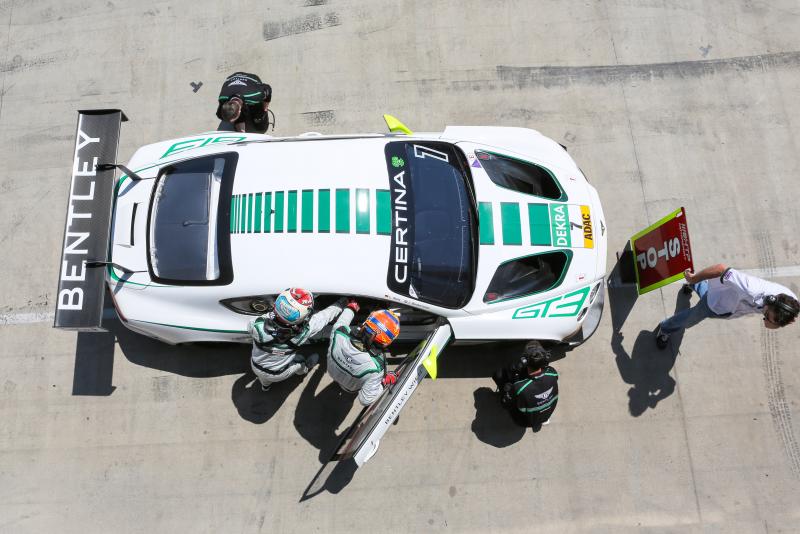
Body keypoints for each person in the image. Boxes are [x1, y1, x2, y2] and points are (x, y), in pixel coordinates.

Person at [656, 264, 800, 349]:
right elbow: (720, 269)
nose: (766, 321)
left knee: (705, 293)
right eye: (767, 316)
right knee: (690, 319)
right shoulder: (751, 288)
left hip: (729, 308)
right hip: (716, 302)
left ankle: (694, 283)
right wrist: (694, 278)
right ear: (771, 300)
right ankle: (665, 327)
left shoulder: (790, 303)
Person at [249, 288, 346, 391]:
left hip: (256, 366)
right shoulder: (302, 333)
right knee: (300, 363)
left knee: (264, 379)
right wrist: (342, 303)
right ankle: (305, 368)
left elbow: (263, 319)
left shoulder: (256, 326)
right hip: (279, 374)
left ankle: (265, 387)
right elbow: (324, 317)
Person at [327, 301, 401, 406]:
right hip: (350, 388)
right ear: (387, 343)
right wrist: (385, 382)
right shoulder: (377, 368)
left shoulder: (339, 333)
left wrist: (353, 305)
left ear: (365, 324)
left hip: (332, 373)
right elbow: (365, 400)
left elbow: (343, 319)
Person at [493, 341, 559, 429]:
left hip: (524, 421)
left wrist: (508, 391)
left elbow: (505, 404)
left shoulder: (519, 388)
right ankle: (542, 419)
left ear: (524, 361)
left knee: (499, 375)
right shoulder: (552, 373)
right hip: (546, 414)